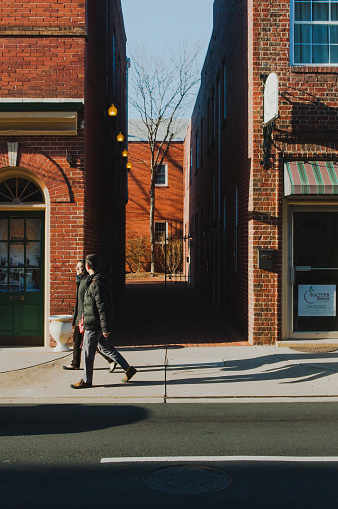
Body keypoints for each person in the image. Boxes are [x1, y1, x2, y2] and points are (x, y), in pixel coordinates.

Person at [71, 254, 136, 389]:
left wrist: (105, 328)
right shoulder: (94, 280)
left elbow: (102, 307)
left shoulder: (96, 284)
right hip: (95, 322)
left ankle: (86, 380)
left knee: (88, 352)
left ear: (88, 266)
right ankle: (128, 369)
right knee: (104, 348)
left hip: (94, 324)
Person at [63, 260, 117, 373]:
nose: (78, 269)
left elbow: (89, 300)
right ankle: (76, 363)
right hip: (81, 314)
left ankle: (111, 359)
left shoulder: (87, 281)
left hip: (86, 316)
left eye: (81, 267)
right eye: (76, 267)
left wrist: (83, 315)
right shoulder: (80, 280)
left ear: (86, 268)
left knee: (90, 341)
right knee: (80, 340)